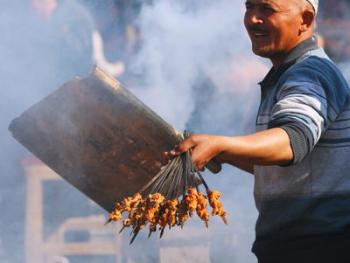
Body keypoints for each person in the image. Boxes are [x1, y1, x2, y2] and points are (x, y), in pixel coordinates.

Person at [167, 0, 350, 262]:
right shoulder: (287, 73)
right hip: (293, 246)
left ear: (306, 20)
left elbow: (292, 141)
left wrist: (222, 144)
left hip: (316, 247)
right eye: (249, 7)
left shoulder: (309, 73)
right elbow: (286, 166)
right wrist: (222, 153)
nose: (252, 19)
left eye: (267, 10)